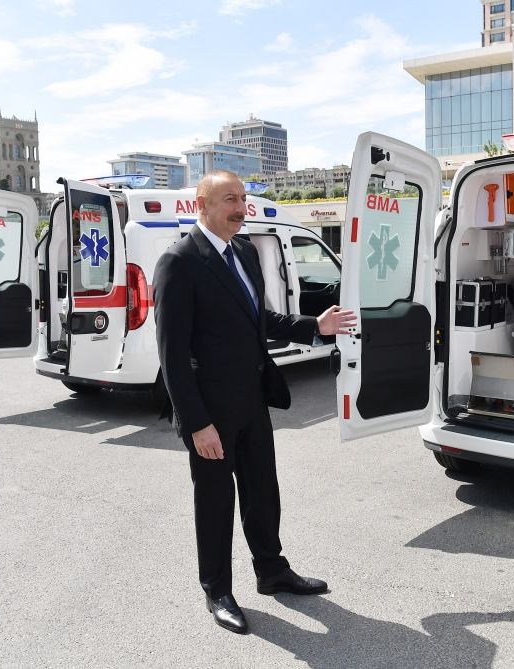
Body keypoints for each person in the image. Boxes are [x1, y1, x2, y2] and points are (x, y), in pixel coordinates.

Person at [153, 170, 356, 635]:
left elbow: (257, 319)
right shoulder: (179, 262)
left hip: (251, 399)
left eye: (242, 198)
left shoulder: (244, 250)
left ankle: (271, 571)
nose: (240, 207)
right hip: (210, 411)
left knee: (263, 490)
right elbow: (172, 355)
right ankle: (217, 590)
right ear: (200, 205)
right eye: (229, 199)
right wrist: (197, 423)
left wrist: (313, 326)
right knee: (216, 500)